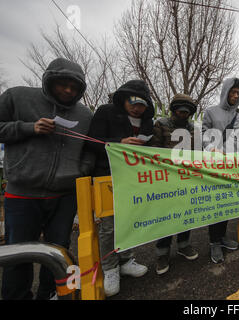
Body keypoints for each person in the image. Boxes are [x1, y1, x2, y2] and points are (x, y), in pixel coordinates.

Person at [0, 57, 93, 300]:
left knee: (60, 249)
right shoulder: (17, 96)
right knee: (19, 254)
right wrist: (29, 128)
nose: (68, 90)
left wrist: (81, 170)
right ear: (49, 80)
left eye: (74, 87)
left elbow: (91, 151)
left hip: (65, 195)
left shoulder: (85, 114)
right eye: (63, 84)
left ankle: (52, 293)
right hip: (22, 193)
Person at [87, 80, 153, 297]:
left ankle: (126, 260)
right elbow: (91, 141)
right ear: (124, 99)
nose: (137, 108)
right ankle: (110, 269)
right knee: (109, 226)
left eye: (142, 104)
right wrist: (118, 143)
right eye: (133, 102)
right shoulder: (106, 112)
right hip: (107, 176)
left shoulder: (148, 122)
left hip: (134, 178)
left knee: (129, 220)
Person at [149, 93, 199, 275]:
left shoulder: (194, 128)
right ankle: (162, 253)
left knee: (186, 212)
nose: (183, 114)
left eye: (187, 111)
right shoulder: (161, 124)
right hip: (166, 179)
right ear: (173, 109)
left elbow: (197, 153)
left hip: (187, 178)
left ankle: (184, 244)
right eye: (180, 110)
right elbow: (153, 151)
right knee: (166, 216)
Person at [202, 77, 239, 264]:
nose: (235, 95)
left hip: (233, 164)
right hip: (215, 164)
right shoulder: (211, 111)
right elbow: (204, 133)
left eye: (238, 92)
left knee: (227, 202)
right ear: (225, 91)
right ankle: (214, 242)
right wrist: (211, 147)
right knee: (216, 203)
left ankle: (221, 237)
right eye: (232, 91)